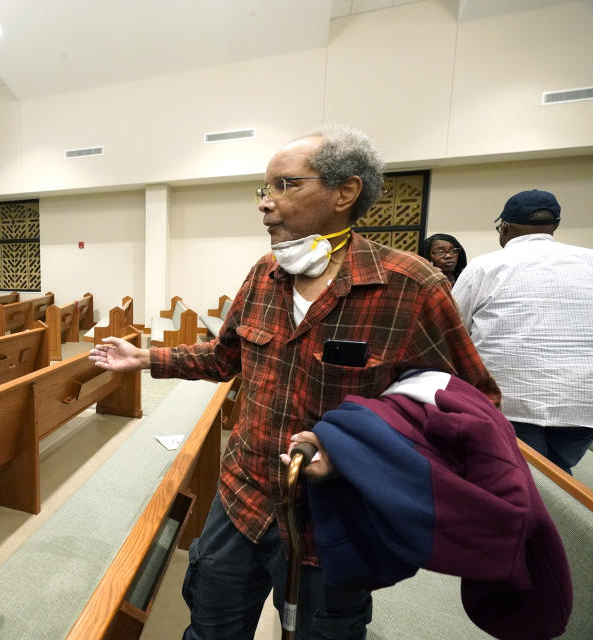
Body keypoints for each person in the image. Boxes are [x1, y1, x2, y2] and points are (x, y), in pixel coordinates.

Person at [90, 125, 499, 640]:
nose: (266, 203)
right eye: (265, 189)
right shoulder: (265, 273)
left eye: (286, 185)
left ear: (345, 192)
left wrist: (356, 455)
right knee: (211, 627)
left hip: (333, 521)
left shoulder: (411, 286)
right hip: (243, 499)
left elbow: (471, 408)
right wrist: (145, 356)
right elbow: (225, 359)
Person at [453, 189, 593, 475]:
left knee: (519, 480)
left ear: (504, 228)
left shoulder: (484, 266)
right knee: (555, 475)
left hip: (510, 402)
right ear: (555, 226)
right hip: (582, 403)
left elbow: (452, 330)